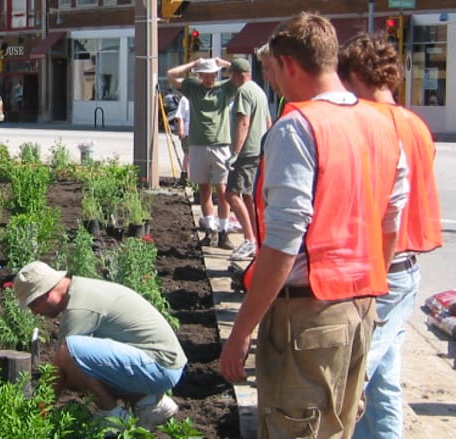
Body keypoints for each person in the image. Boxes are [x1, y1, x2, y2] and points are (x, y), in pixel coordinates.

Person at [218, 13, 407, 439]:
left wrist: (242, 330)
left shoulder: (297, 127)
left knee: (295, 427)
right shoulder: (384, 124)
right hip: (360, 309)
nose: (277, 87)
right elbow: (391, 224)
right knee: (339, 426)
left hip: (307, 318)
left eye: (274, 73)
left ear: (288, 64)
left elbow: (285, 242)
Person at [338, 33, 443, 439]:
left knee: (354, 376)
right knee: (383, 372)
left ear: (354, 77)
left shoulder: (368, 124)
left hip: (378, 266)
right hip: (404, 264)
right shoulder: (416, 125)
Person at [15, 261, 186, 429]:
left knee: (68, 354)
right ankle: (148, 403)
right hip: (160, 362)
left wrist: (38, 415)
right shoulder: (80, 290)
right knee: (78, 372)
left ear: (45, 294)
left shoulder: (79, 309)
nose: (35, 313)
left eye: (33, 304)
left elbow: (60, 367)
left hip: (160, 365)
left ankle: (113, 418)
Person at [167, 57, 240, 248]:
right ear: (200, 75)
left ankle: (224, 231)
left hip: (221, 145)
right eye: (206, 75)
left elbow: (242, 72)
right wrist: (193, 64)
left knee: (223, 191)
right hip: (198, 145)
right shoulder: (193, 88)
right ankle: (210, 230)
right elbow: (171, 75)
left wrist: (222, 62)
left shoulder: (224, 88)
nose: (210, 78)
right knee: (204, 190)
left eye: (213, 74)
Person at [223, 58, 272, 261]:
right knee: (249, 197)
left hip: (247, 152)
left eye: (231, 75)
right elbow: (268, 121)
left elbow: (244, 122)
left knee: (231, 195)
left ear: (236, 74)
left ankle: (249, 239)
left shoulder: (243, 92)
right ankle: (257, 238)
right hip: (258, 150)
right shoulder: (259, 91)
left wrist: (235, 152)